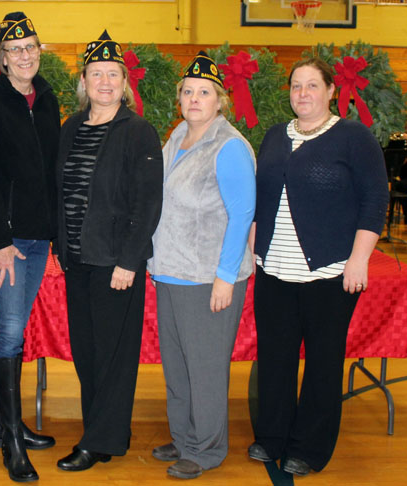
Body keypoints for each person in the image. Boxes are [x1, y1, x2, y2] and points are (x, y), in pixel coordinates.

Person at [248, 57, 388, 477]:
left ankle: (309, 448)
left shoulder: (353, 137)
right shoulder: (275, 136)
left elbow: (374, 201)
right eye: (296, 86)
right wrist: (255, 245)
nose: (303, 93)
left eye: (312, 85)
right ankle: (272, 437)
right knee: (275, 359)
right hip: (274, 273)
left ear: (331, 91)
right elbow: (262, 196)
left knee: (323, 364)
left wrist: (359, 259)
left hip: (329, 275)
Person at [55, 30, 163, 473]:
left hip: (115, 262)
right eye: (96, 74)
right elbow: (60, 192)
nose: (104, 81)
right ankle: (105, 428)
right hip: (77, 260)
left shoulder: (139, 132)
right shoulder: (71, 127)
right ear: (84, 80)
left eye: (112, 74)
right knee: (87, 352)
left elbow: (148, 202)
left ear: (124, 82)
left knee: (114, 355)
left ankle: (99, 441)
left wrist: (129, 260)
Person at [148, 52, 256, 480]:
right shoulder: (177, 136)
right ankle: (184, 437)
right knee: (177, 365)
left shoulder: (228, 146)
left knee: (206, 367)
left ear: (220, 101)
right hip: (171, 271)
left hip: (208, 276)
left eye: (204, 92)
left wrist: (226, 277)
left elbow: (242, 212)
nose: (194, 99)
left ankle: (206, 449)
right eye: (188, 92)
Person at [0, 11, 59, 483]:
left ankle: (7, 425)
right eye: (15, 50)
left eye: (31, 47)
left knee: (15, 330)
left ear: (39, 52)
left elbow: (52, 174)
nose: (25, 55)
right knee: (10, 330)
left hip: (39, 237)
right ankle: (12, 445)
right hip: (7, 240)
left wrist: (56, 236)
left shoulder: (47, 99)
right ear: (2, 58)